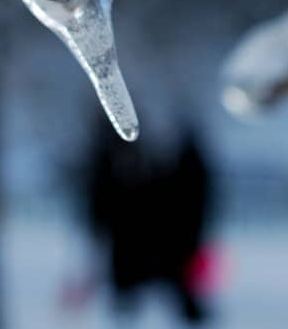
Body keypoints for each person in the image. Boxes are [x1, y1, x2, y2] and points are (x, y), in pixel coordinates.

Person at [82, 117, 218, 323]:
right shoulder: (166, 193)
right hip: (151, 243)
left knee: (135, 286)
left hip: (147, 243)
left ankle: (132, 304)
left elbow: (100, 202)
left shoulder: (137, 191)